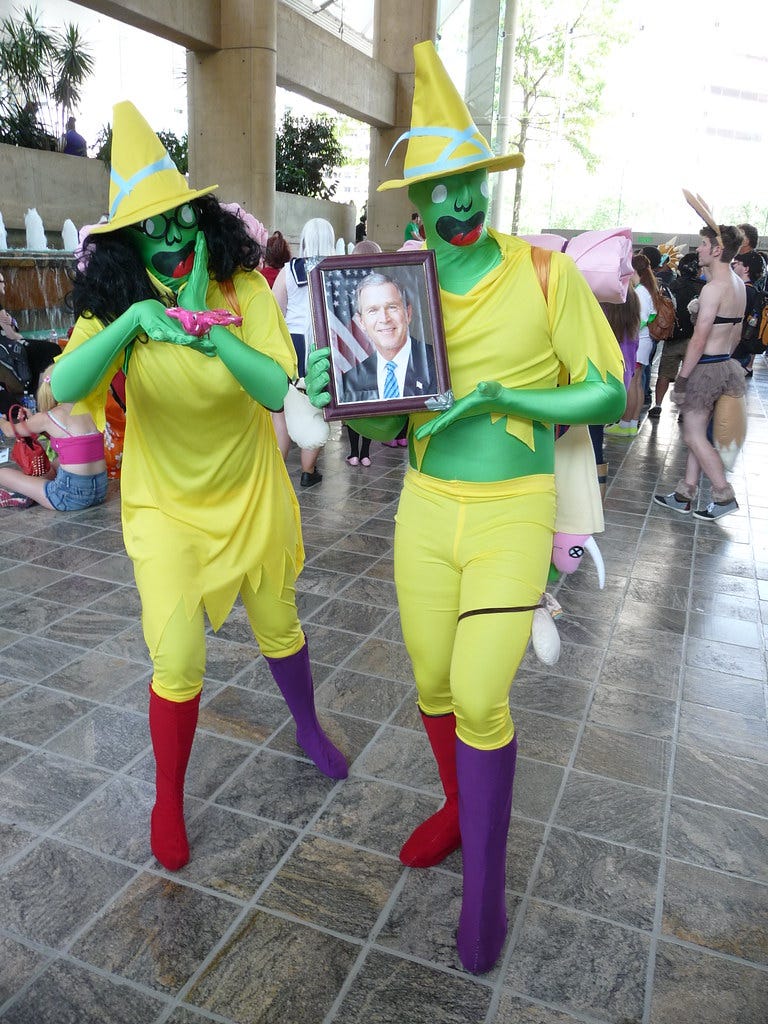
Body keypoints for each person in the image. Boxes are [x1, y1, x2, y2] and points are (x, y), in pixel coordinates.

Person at [306, 41, 624, 974]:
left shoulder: (544, 274)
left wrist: (503, 397)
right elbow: (392, 421)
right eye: (435, 190)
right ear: (416, 199)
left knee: (483, 696)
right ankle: (455, 808)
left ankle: (486, 889)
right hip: (423, 509)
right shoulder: (394, 289)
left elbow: (609, 391)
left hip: (512, 508)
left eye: (466, 184)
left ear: (487, 182)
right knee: (435, 686)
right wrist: (340, 391)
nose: (454, 204)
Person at [49, 102, 346, 872]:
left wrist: (213, 336)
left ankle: (308, 726)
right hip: (166, 508)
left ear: (202, 219)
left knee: (279, 625)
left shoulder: (242, 288)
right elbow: (66, 387)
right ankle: (168, 799)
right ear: (130, 242)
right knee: (177, 656)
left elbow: (276, 388)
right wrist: (135, 323)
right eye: (154, 228)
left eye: (182, 220)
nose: (173, 238)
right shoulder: (118, 303)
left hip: (250, 492)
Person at [654, 221, 746, 520]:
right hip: (725, 365)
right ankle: (685, 494)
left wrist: (681, 379)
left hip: (705, 367)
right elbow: (736, 333)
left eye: (704, 244)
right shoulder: (737, 284)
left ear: (717, 250)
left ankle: (723, 495)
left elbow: (698, 339)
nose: (699, 249)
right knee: (699, 434)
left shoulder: (713, 288)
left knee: (693, 436)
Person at [273, 218, 336, 487]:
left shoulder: (289, 270)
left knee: (282, 410)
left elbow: (275, 310)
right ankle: (308, 471)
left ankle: (277, 470)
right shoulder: (339, 269)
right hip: (326, 346)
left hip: (293, 346)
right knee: (317, 408)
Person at [0, 366, 107, 510]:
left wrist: (1, 420)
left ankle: (29, 494)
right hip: (100, 491)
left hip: (68, 499)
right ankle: (30, 493)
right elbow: (71, 442)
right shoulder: (90, 409)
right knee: (56, 463)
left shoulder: (47, 417)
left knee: (2, 473)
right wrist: (33, 421)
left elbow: (9, 431)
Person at [339, 273, 437, 403]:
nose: (384, 319)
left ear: (408, 313)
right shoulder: (351, 382)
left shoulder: (438, 363)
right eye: (373, 310)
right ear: (361, 321)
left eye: (392, 307)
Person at [605, 253, 656, 437]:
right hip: (642, 341)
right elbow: (651, 316)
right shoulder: (646, 289)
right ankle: (632, 423)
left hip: (637, 341)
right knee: (637, 383)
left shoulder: (639, 292)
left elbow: (641, 319)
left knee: (631, 383)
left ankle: (626, 423)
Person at [648, 252, 705, 418]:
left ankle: (658, 405)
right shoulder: (703, 288)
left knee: (664, 374)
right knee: (690, 376)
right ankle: (683, 411)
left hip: (673, 337)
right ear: (696, 269)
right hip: (694, 339)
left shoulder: (672, 285)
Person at [730, 250, 767, 376]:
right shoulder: (753, 291)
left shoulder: (744, 291)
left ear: (746, 269)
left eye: (737, 263)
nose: (734, 266)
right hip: (743, 350)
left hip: (735, 351)